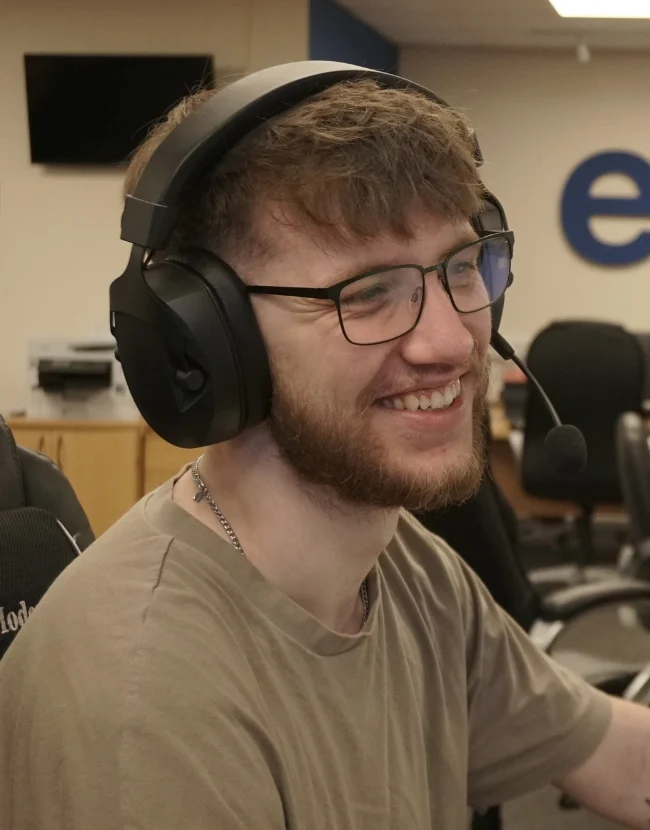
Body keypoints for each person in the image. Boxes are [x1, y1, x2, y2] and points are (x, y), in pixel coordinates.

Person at [1, 64, 650, 830]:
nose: (450, 340)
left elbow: (619, 761)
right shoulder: (148, 711)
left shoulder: (405, 566)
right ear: (205, 342)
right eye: (369, 291)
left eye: (462, 268)